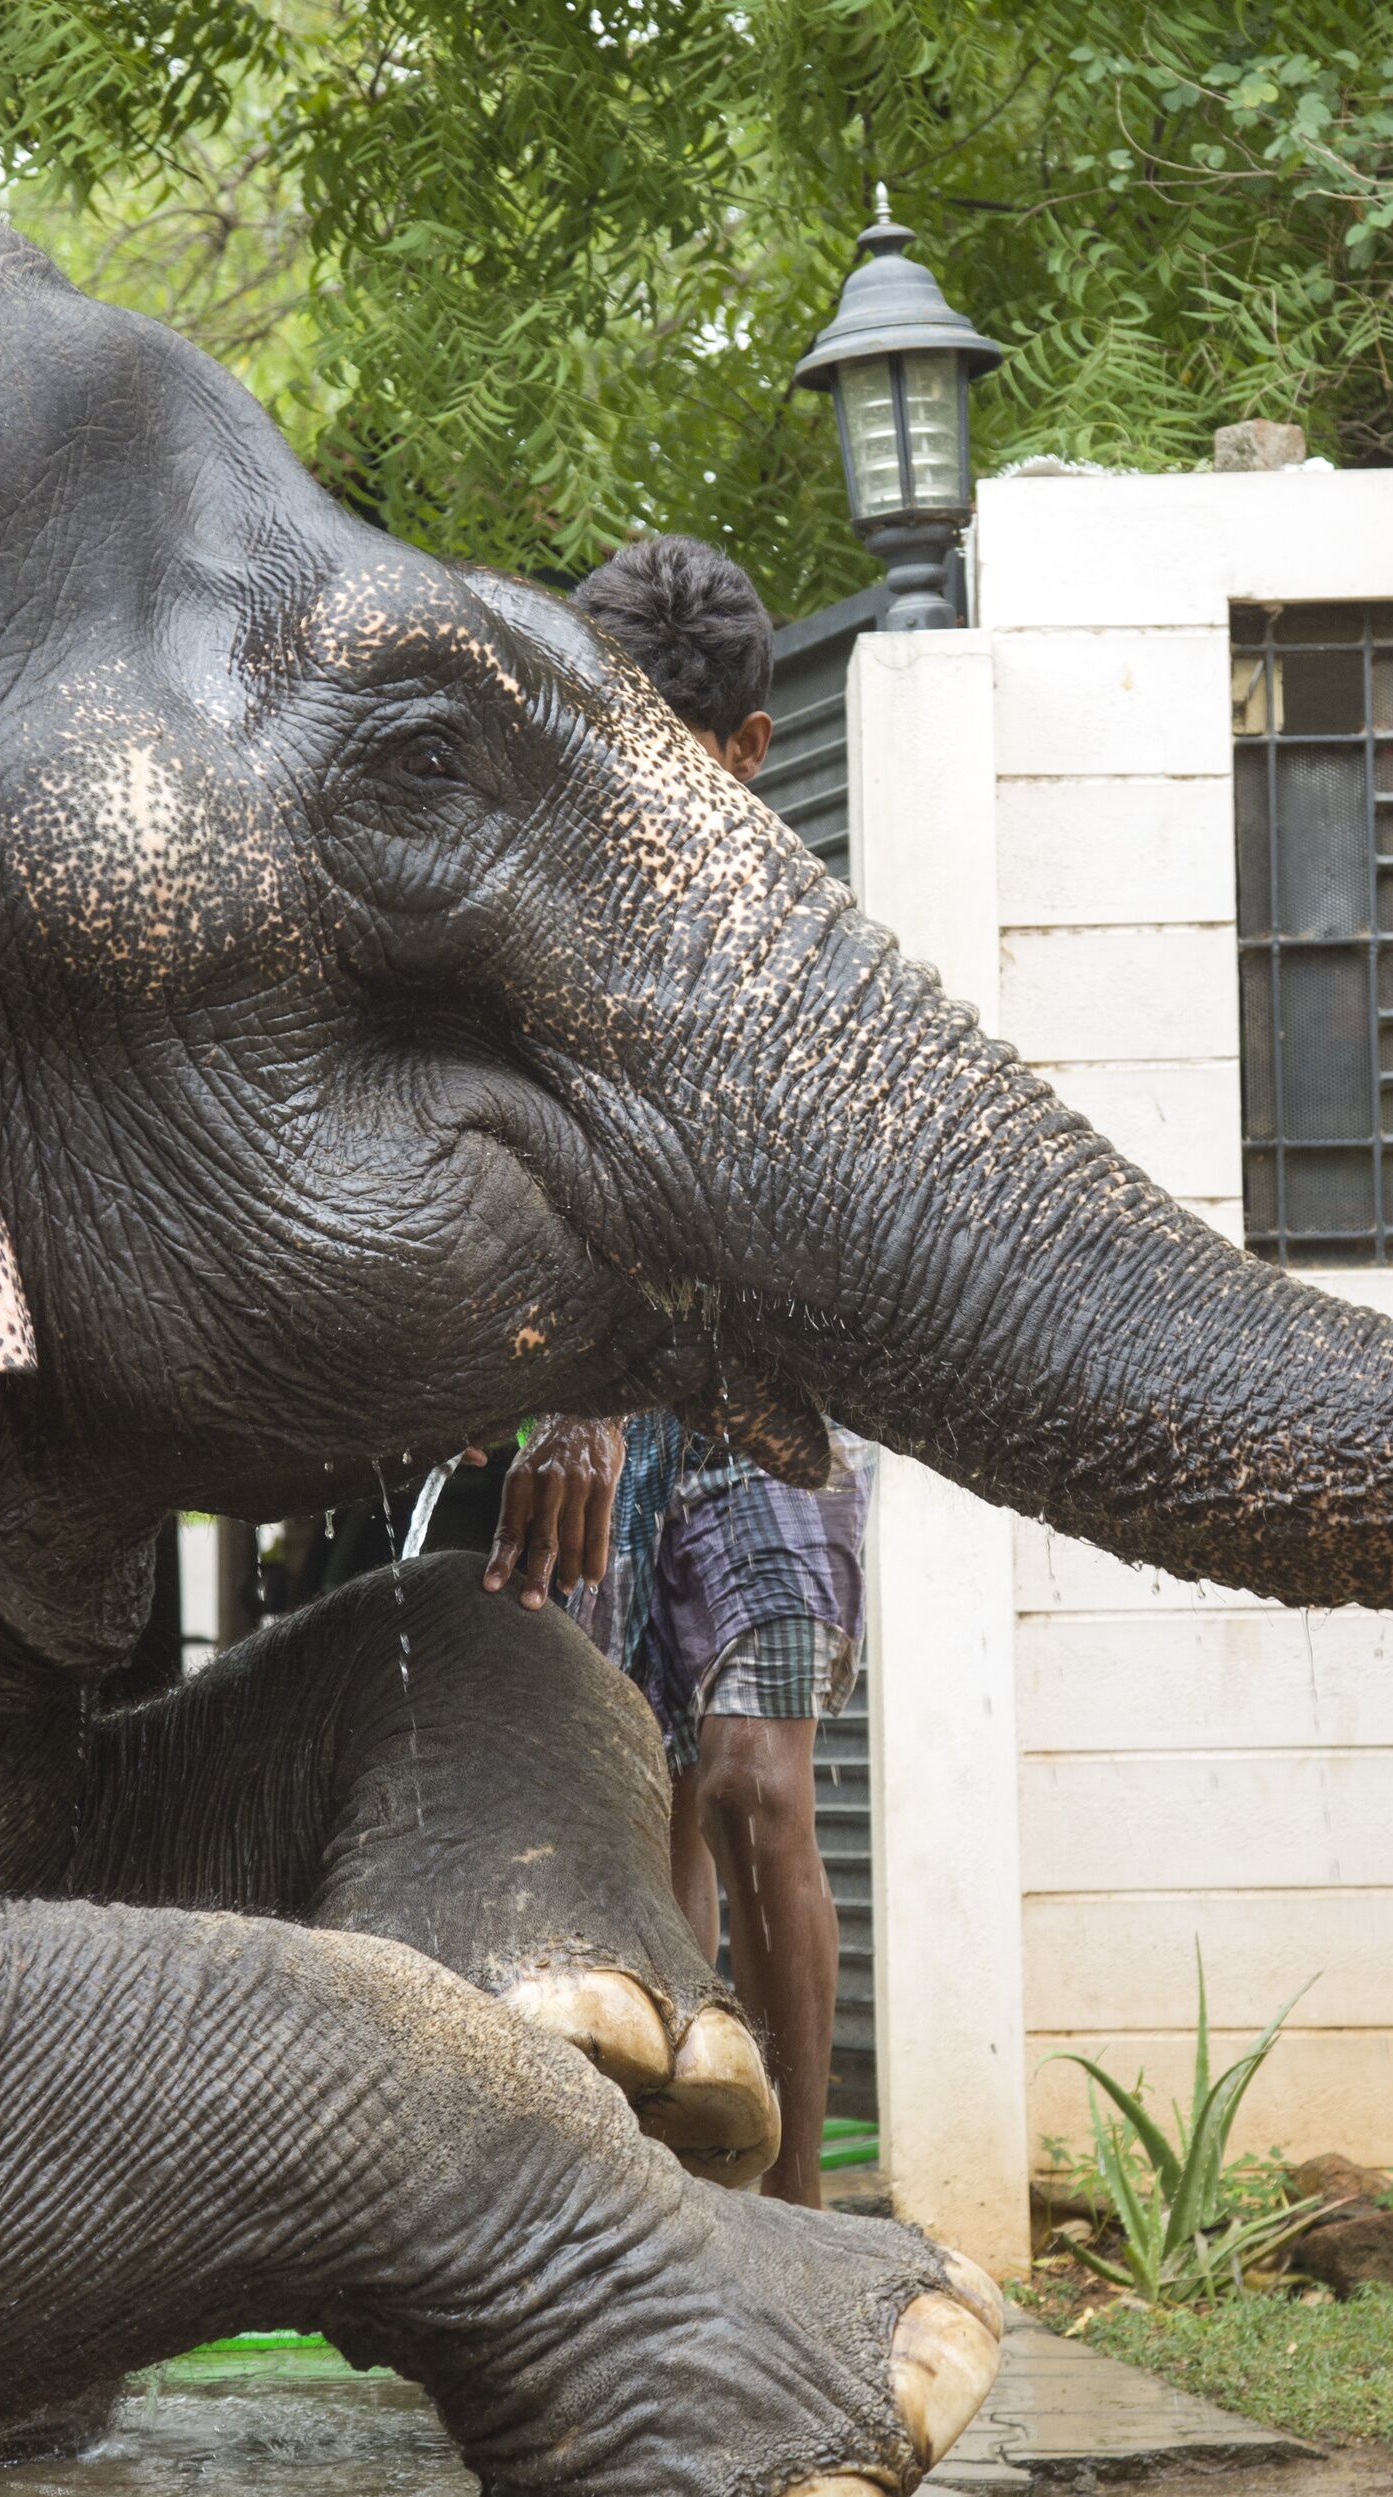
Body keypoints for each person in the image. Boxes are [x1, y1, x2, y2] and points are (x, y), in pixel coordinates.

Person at [482, 535, 861, 2212]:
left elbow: (769, 1210)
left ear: (754, 751)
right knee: (642, 1810)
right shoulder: (533, 922)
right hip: (585, 1410)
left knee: (757, 1784)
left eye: (680, 754)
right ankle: (683, 2222)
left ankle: (808, 2218)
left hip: (761, 1411)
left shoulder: (810, 950)